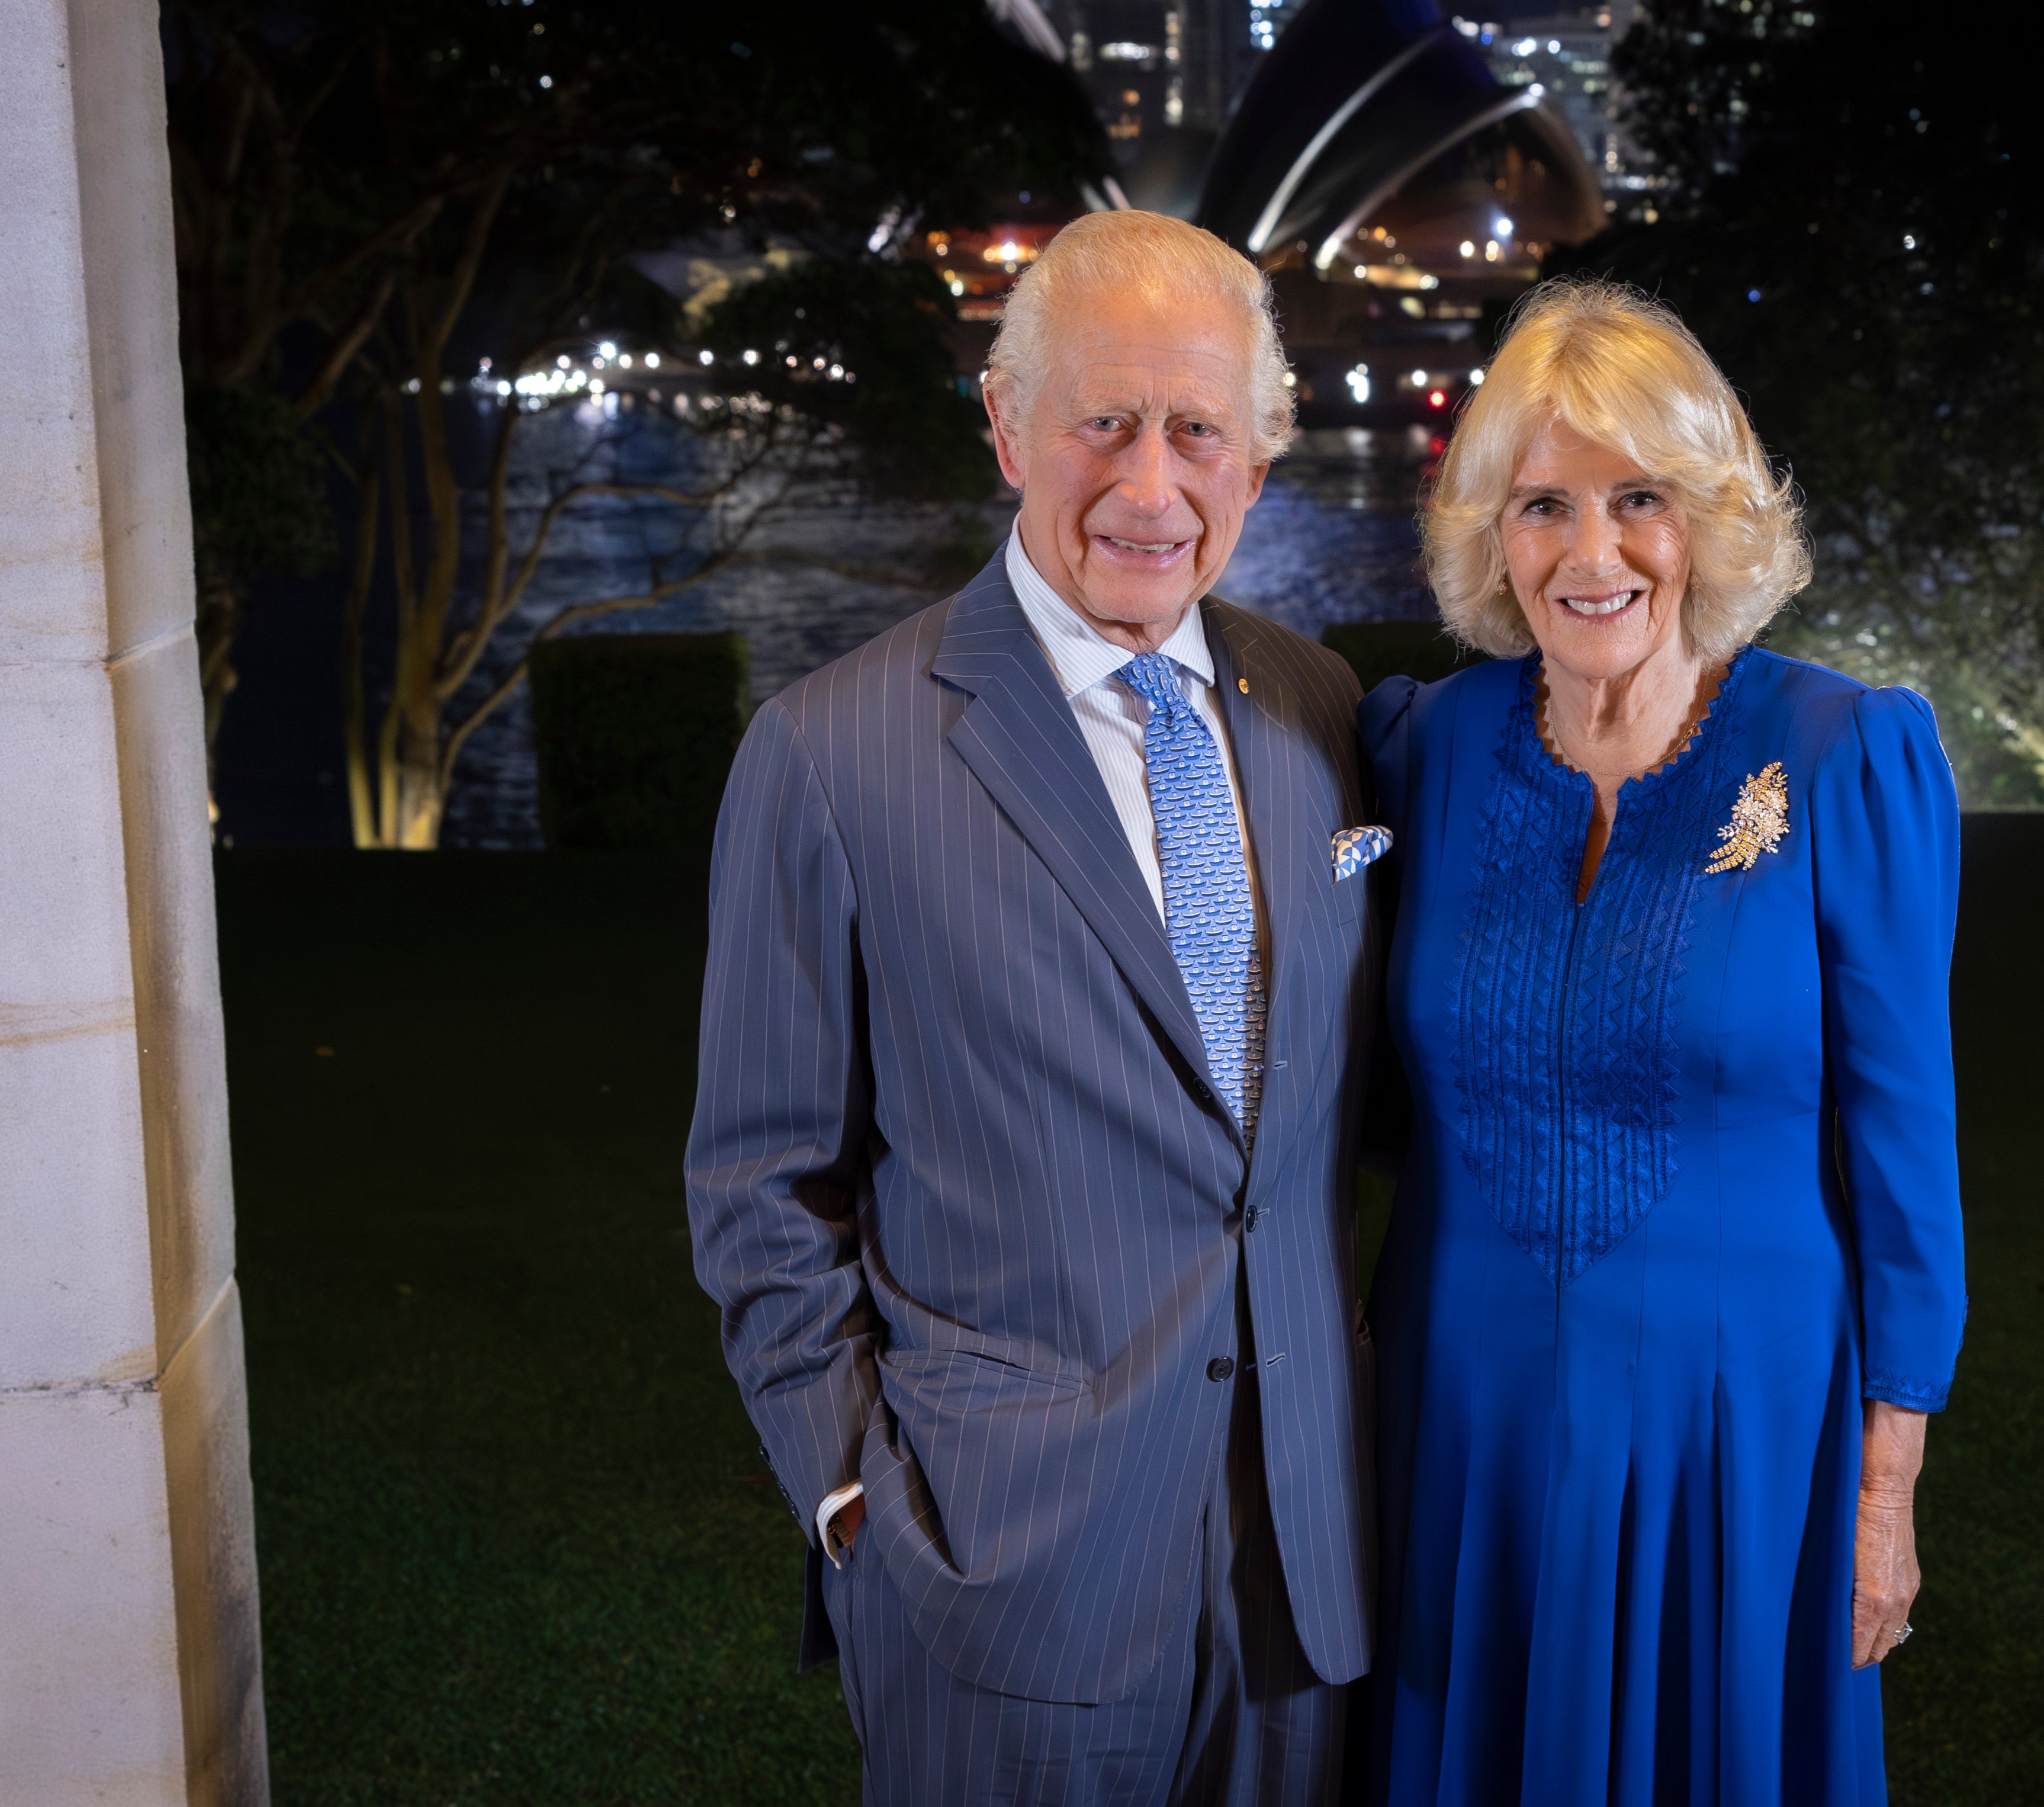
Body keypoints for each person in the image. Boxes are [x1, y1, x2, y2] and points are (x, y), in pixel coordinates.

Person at [684, 210, 1386, 1807]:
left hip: (1308, 1569)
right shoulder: (830, 752)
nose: (1150, 486)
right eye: (1103, 421)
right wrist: (857, 1493)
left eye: (1197, 429)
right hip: (1000, 1581)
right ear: (1008, 425)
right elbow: (756, 1182)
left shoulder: (1320, 707)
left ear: (1257, 458)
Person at [1359, 279, 1966, 1805]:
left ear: (1705, 515)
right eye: (1543, 504)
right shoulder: (1426, 748)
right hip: (1466, 1428)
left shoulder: (1843, 754)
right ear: (1493, 534)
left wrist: (1883, 1490)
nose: (1592, 550)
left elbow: (1908, 1153)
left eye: (1639, 498)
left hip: (1744, 1440)